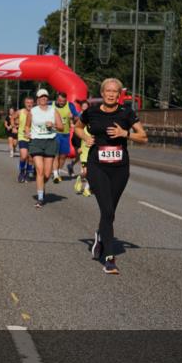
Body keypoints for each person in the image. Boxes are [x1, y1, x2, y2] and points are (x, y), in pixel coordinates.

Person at [75, 78, 148, 274]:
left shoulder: (127, 113)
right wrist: (85, 137)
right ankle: (109, 257)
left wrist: (126, 133)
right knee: (106, 210)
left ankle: (100, 235)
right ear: (102, 92)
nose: (111, 94)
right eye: (107, 90)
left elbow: (143, 137)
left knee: (110, 212)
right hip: (97, 165)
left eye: (115, 91)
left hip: (120, 168)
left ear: (119, 94)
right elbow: (77, 127)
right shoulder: (92, 111)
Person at [25, 88, 63, 208]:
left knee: (46, 174)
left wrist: (53, 125)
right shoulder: (33, 111)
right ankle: (40, 198)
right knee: (40, 170)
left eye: (45, 96)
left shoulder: (53, 111)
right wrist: (27, 133)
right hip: (36, 141)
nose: (44, 98)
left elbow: (61, 127)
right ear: (37, 99)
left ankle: (41, 184)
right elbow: (27, 126)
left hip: (50, 142)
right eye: (41, 97)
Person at [52, 91, 76, 183]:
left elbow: (76, 117)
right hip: (54, 133)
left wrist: (73, 117)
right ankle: (55, 174)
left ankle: (57, 171)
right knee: (56, 154)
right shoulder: (52, 104)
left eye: (63, 101)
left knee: (63, 155)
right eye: (60, 100)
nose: (61, 102)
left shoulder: (70, 105)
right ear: (57, 99)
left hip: (65, 134)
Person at [73, 100, 92, 197]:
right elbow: (77, 134)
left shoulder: (96, 121)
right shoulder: (82, 122)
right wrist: (78, 147)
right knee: (85, 172)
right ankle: (80, 179)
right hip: (84, 150)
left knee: (92, 172)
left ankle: (86, 189)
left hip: (94, 151)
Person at [16, 96, 34, 182]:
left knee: (30, 157)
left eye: (31, 103)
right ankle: (22, 171)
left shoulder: (36, 112)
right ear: (24, 103)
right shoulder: (20, 112)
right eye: (27, 103)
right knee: (23, 156)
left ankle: (28, 172)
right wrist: (14, 126)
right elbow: (12, 118)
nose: (29, 104)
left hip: (33, 137)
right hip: (22, 136)